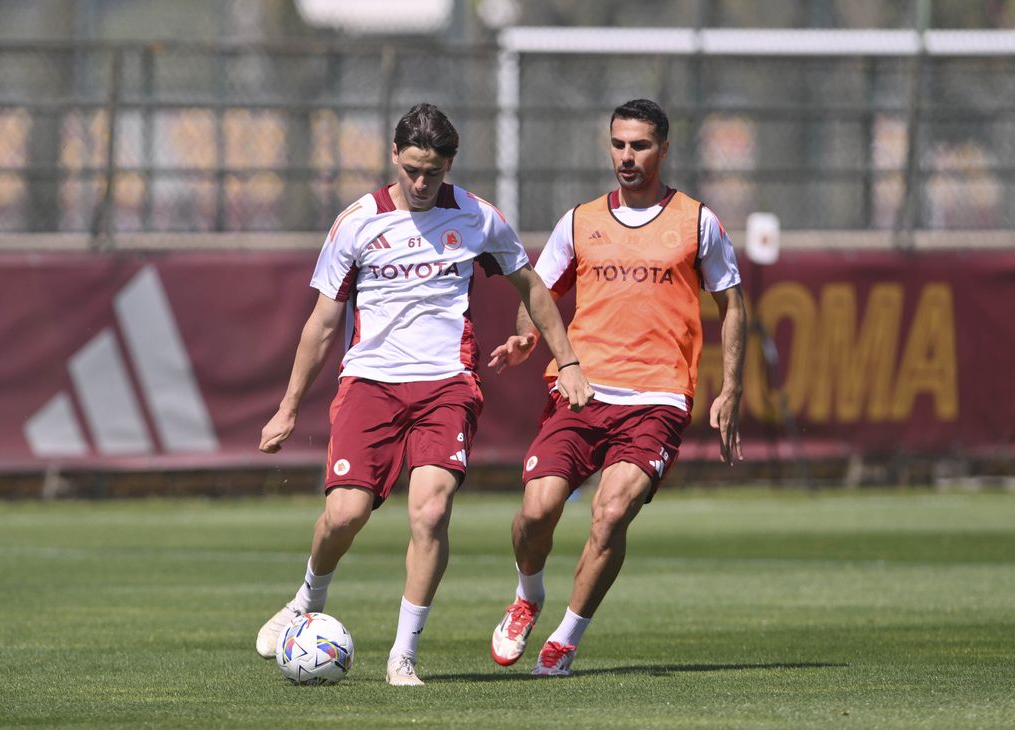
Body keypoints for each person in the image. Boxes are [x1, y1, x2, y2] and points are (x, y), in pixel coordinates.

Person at [254, 103, 593, 686]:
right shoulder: (356, 222)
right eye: (411, 170)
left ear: (449, 165)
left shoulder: (478, 218)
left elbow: (532, 286)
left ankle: (403, 654)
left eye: (431, 173)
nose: (419, 183)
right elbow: (321, 324)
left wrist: (568, 361)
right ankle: (305, 599)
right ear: (394, 156)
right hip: (371, 383)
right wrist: (288, 408)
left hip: (446, 384)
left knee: (431, 511)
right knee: (345, 513)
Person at [487, 98, 746, 676]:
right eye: (619, 145)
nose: (627, 157)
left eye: (640, 146)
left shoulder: (696, 220)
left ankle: (566, 639)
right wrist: (526, 336)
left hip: (657, 398)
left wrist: (730, 388)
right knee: (536, 511)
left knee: (610, 513)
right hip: (581, 390)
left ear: (664, 149)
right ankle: (529, 596)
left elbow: (731, 304)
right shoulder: (579, 220)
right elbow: (539, 291)